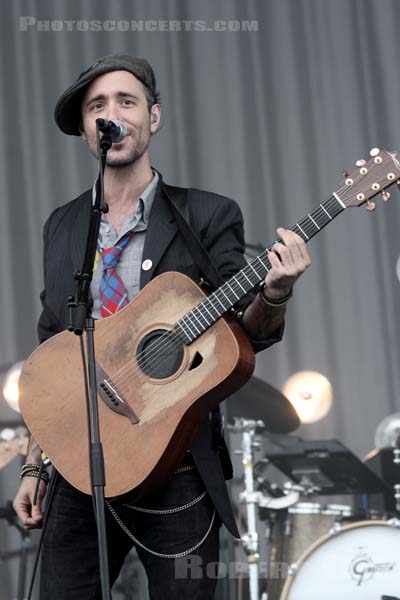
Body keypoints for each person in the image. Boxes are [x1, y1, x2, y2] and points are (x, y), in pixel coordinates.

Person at [13, 53, 311, 599]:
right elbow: (53, 351)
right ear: (85, 130)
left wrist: (275, 290)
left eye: (126, 102)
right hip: (78, 470)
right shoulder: (63, 225)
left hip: (176, 466)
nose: (112, 115)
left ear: (153, 117)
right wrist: (35, 468)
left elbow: (250, 333)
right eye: (97, 107)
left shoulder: (208, 215)